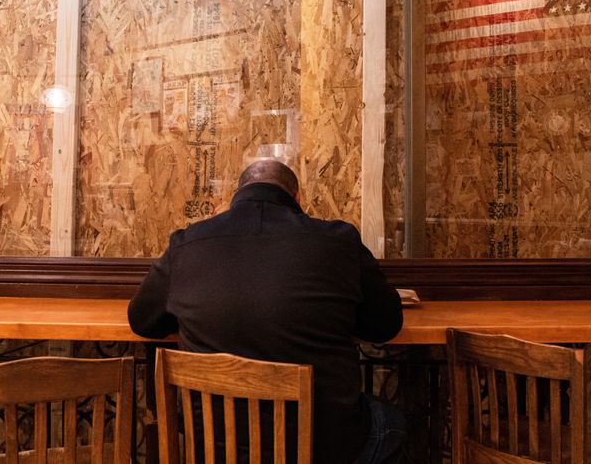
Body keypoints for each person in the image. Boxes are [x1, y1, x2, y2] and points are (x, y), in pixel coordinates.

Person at [128, 160, 405, 463]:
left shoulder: (187, 244)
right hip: (326, 450)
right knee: (393, 421)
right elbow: (386, 324)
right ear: (297, 198)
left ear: (236, 194)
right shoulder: (338, 241)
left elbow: (142, 321)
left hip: (215, 451)